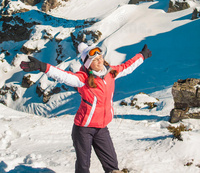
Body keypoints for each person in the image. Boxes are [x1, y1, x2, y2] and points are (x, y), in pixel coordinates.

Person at [20, 42, 152, 173]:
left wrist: (142, 55)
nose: (100, 61)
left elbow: (126, 66)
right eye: (95, 60)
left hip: (101, 128)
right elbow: (64, 76)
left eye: (100, 58)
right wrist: (43, 66)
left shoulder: (111, 72)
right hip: (83, 129)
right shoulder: (83, 78)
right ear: (89, 64)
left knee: (112, 166)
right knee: (83, 167)